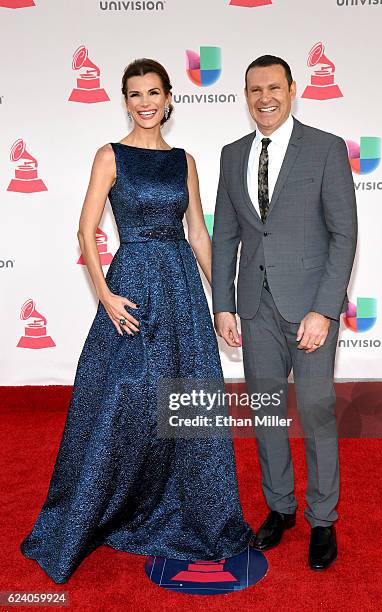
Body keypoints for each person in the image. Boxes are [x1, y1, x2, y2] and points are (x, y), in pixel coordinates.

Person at [20, 58, 252, 584]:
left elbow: (198, 234)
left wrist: (223, 303)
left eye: (153, 92)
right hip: (131, 290)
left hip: (182, 292)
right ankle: (103, 507)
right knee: (122, 403)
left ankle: (196, 510)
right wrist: (105, 296)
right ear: (124, 101)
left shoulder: (184, 161)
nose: (145, 102)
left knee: (186, 398)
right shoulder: (109, 155)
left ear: (169, 97)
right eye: (134, 94)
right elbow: (85, 232)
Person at [212, 55, 357, 570]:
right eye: (254, 89)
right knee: (266, 411)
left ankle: (323, 518)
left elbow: (344, 235)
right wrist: (224, 305)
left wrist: (324, 309)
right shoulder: (232, 155)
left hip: (310, 309)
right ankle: (280, 507)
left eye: (273, 87)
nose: (264, 98)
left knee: (316, 410)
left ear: (292, 90)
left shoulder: (325, 148)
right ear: (245, 94)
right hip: (253, 307)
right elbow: (225, 236)